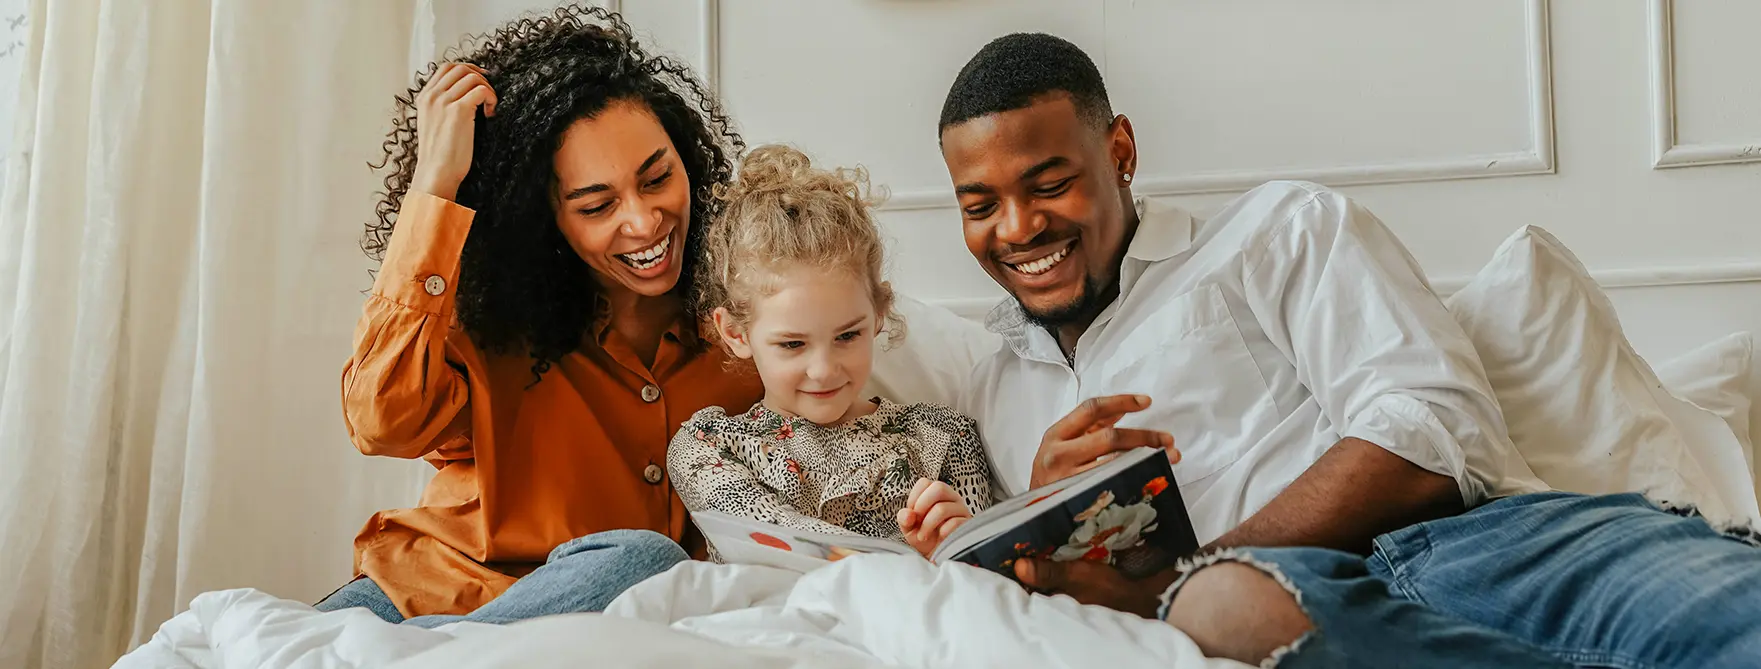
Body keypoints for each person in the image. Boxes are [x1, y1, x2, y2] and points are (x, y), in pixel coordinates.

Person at [935, 32, 1761, 667]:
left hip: (1480, 548)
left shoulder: (1275, 231)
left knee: (1727, 617)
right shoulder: (987, 392)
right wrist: (1044, 522)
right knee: (1221, 605)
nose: (1017, 228)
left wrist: (1192, 567)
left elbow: (1433, 432)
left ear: (1119, 151)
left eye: (1047, 184)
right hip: (1269, 620)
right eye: (980, 205)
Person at [316, 6, 762, 627]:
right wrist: (434, 186)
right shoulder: (495, 320)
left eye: (657, 178)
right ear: (545, 218)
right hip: (424, 595)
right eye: (597, 204)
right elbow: (382, 421)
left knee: (645, 560)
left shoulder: (747, 328)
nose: (643, 222)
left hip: (590, 597)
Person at [667, 145, 992, 558]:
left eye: (846, 337)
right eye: (792, 344)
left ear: (879, 313)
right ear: (735, 333)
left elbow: (987, 585)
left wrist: (953, 547)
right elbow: (784, 545)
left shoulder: (945, 437)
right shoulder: (707, 447)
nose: (823, 370)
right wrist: (903, 565)